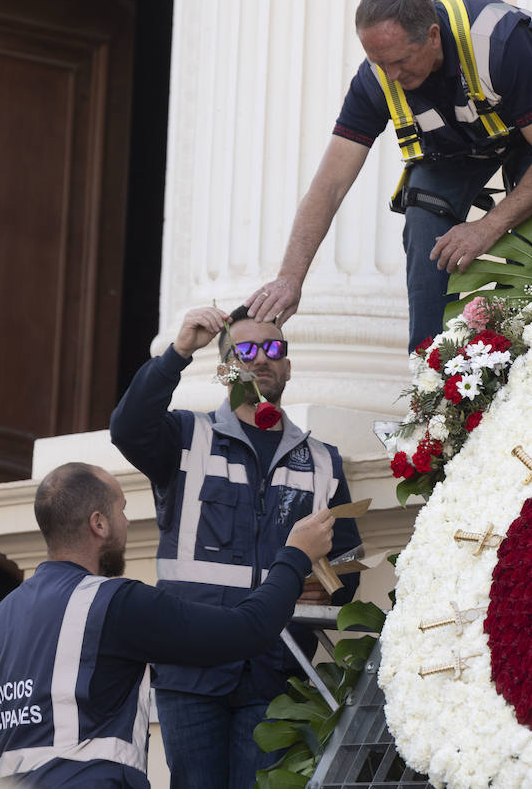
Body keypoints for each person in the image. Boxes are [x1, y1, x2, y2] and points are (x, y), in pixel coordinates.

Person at [246, 0, 532, 351]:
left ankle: (520, 356)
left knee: (530, 235)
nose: (391, 75)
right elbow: (329, 186)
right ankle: (430, 367)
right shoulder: (376, 77)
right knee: (423, 214)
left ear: (432, 36)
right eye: (380, 62)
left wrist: (487, 227)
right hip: (463, 139)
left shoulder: (498, 42)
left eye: (400, 61)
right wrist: (290, 278)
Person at [0, 462, 335, 787]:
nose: (127, 523)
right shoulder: (112, 604)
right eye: (122, 510)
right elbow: (247, 631)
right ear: (99, 524)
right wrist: (295, 555)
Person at [109, 305, 363, 789]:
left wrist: (331, 586)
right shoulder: (186, 436)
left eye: (273, 348)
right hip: (191, 667)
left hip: (277, 668)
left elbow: (348, 558)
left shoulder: (323, 461)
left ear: (288, 366)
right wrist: (179, 351)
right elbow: (128, 428)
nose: (261, 358)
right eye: (245, 349)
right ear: (225, 369)